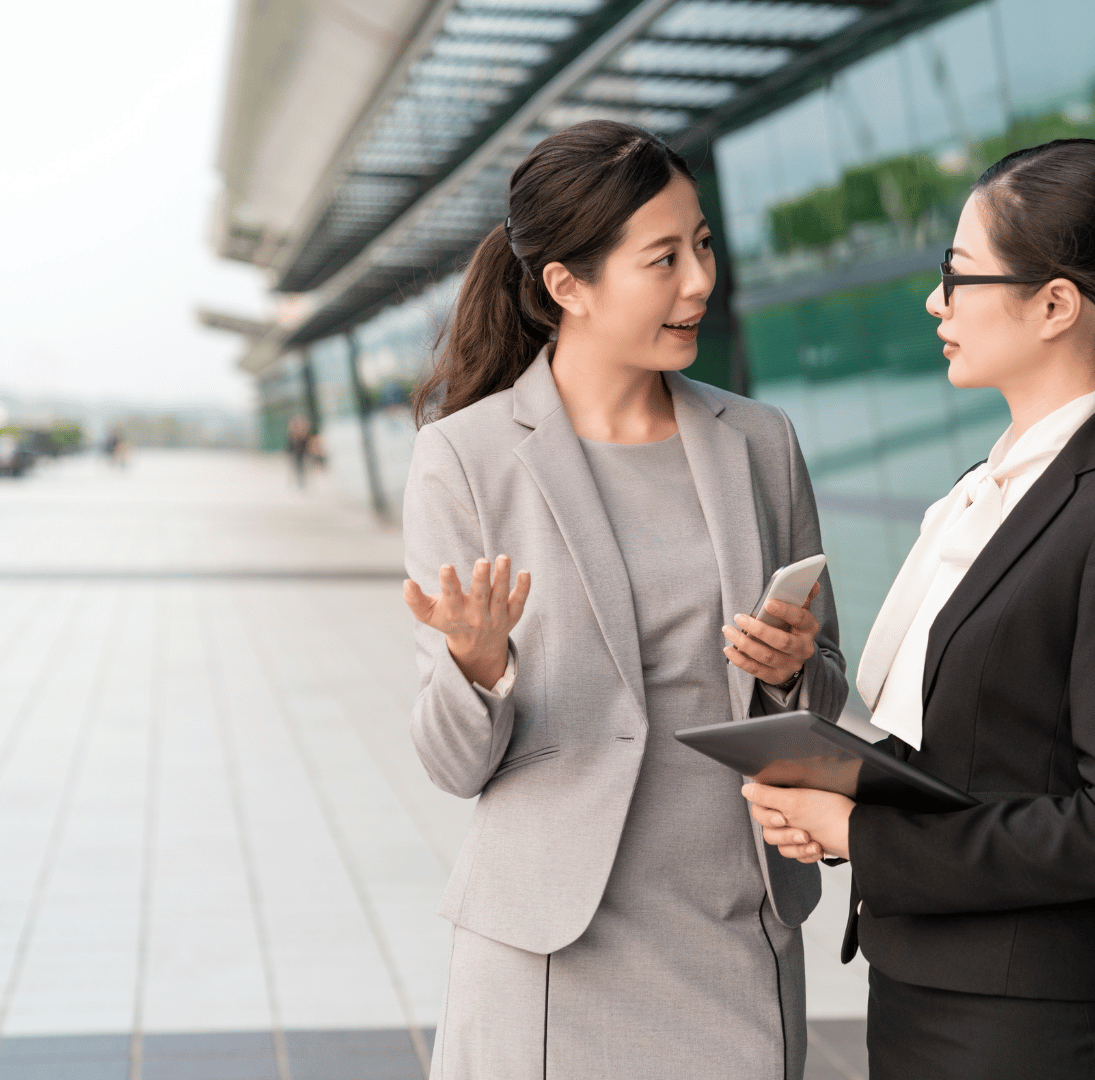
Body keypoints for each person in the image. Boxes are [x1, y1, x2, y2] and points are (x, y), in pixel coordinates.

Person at [743, 138, 1095, 1079]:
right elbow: (972, 754)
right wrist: (834, 789)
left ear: (1054, 304)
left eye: (958, 273)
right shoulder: (993, 486)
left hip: (1029, 1029)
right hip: (923, 988)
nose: (937, 301)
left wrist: (860, 834)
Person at [401, 120, 849, 1080]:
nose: (698, 280)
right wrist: (478, 669)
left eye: (703, 245)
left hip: (736, 921)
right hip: (554, 943)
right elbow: (452, 765)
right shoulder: (466, 459)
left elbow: (824, 698)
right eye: (663, 258)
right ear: (567, 285)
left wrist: (791, 672)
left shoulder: (759, 441)